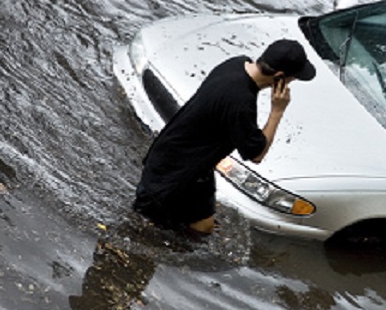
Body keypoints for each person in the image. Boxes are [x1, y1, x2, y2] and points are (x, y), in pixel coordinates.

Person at [132, 39, 315, 235]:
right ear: (279, 77)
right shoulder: (240, 101)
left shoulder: (235, 64)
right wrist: (277, 111)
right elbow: (257, 154)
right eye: (292, 78)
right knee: (142, 229)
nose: (291, 83)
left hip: (194, 166)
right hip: (173, 174)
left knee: (203, 228)